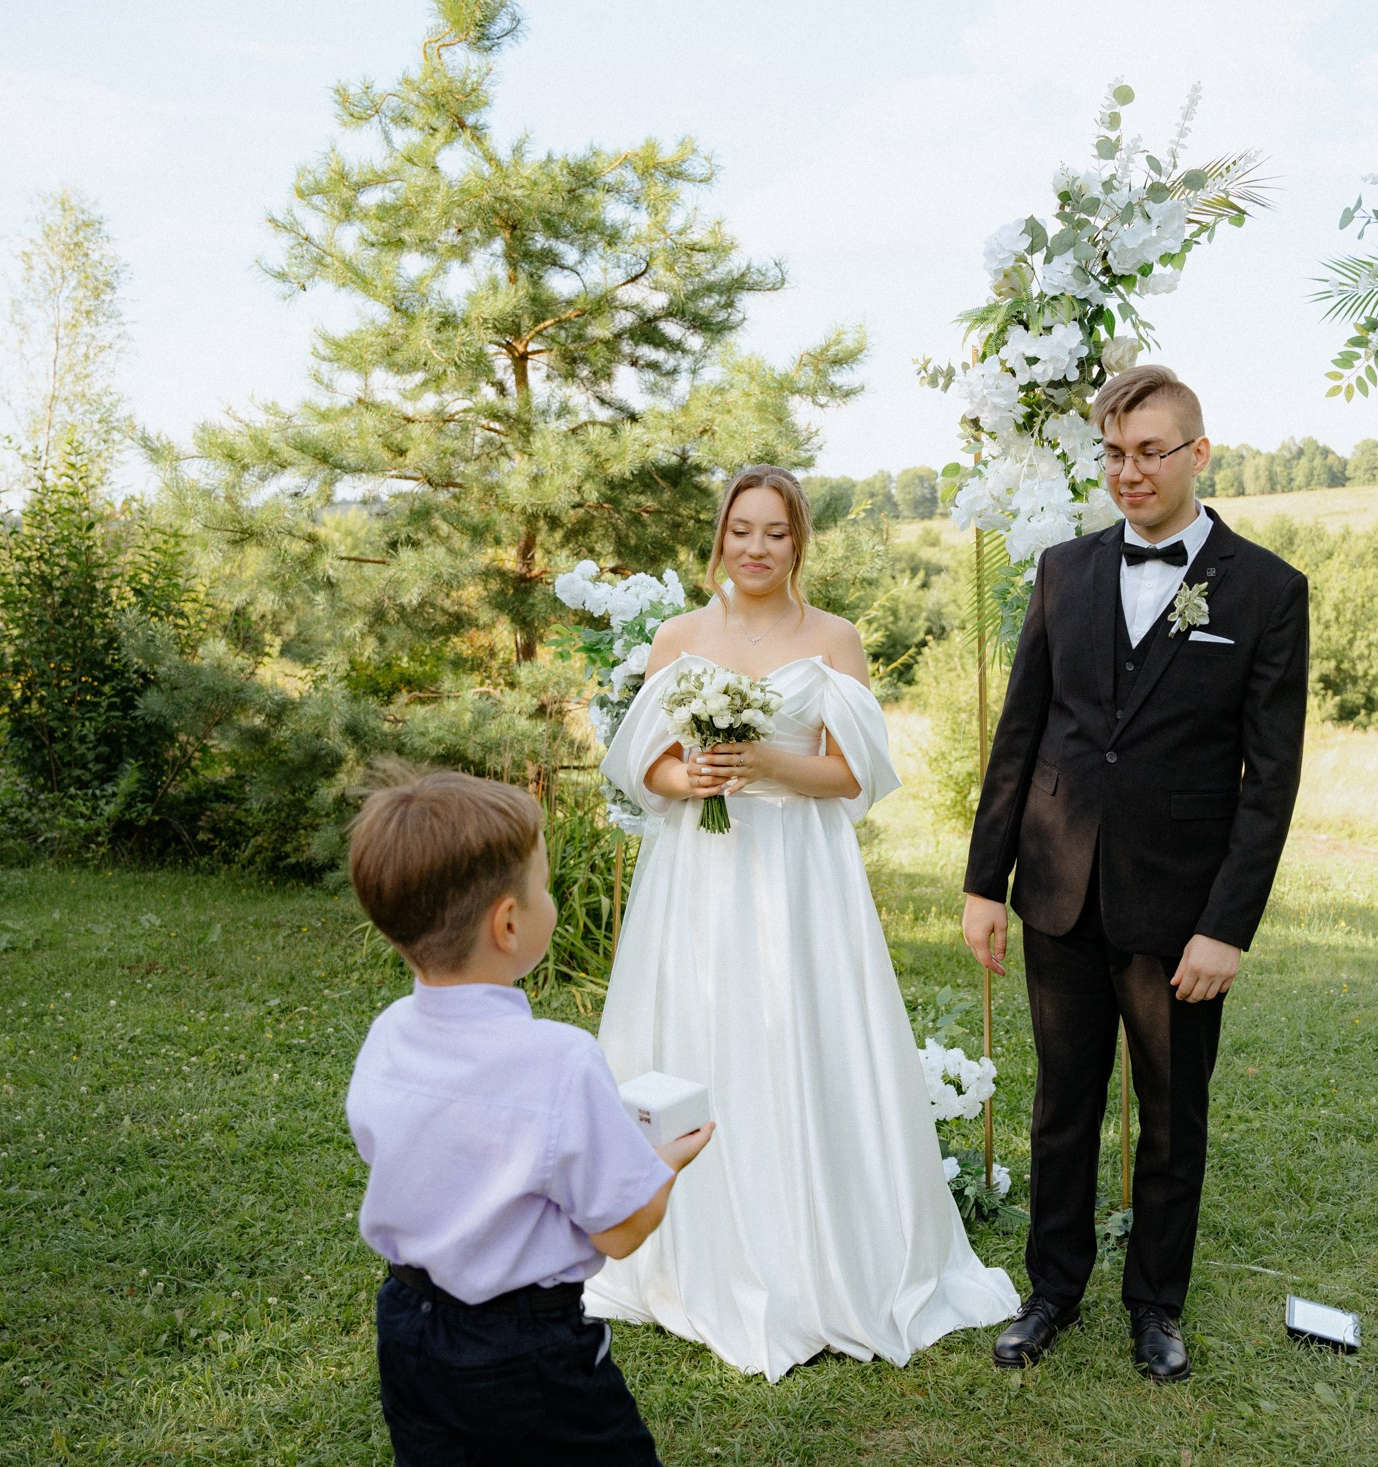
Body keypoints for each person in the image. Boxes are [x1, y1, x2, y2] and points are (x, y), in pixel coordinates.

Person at [585, 465, 1018, 1381]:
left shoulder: (832, 639)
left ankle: (823, 1245)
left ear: (798, 542)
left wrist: (769, 763)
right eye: (741, 529)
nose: (756, 547)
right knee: (702, 1028)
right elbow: (644, 763)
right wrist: (689, 777)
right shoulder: (679, 636)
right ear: (720, 537)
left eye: (775, 532)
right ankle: (688, 1244)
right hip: (699, 871)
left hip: (800, 873)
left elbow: (855, 773)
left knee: (802, 1032)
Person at [961, 365, 1310, 1382]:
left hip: (1180, 905)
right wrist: (986, 881)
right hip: (1058, 888)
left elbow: (1269, 782)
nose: (1130, 472)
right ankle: (1051, 1290)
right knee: (1061, 1103)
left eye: (1151, 451)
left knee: (1170, 1112)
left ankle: (1156, 1304)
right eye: (1114, 453)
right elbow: (1019, 735)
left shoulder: (1267, 590)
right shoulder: (1061, 570)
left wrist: (1226, 927)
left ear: (1199, 453)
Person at [344, 769, 715, 1466]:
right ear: (509, 923)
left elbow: (397, 1146)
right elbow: (620, 1229)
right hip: (526, 1349)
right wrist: (661, 1164)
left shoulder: (388, 1033)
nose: (551, 898)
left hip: (407, 1325)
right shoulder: (560, 1060)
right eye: (544, 886)